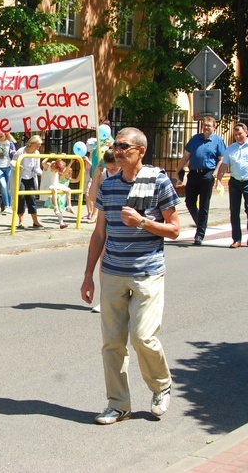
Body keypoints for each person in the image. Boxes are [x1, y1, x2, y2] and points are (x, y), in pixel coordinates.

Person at [79, 127, 181, 426]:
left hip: (147, 272)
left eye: (125, 146)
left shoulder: (158, 181)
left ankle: (161, 385)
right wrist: (88, 276)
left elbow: (174, 229)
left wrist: (144, 222)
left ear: (141, 151)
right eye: (117, 146)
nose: (119, 151)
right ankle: (118, 404)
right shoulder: (109, 186)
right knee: (112, 343)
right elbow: (99, 233)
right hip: (113, 273)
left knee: (143, 337)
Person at [176, 116, 226, 245]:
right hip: (193, 174)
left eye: (209, 125)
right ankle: (201, 224)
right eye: (204, 125)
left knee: (204, 205)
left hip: (207, 174)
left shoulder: (217, 141)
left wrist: (215, 174)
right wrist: (178, 170)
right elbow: (186, 155)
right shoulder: (195, 139)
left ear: (214, 127)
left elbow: (221, 159)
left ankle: (199, 235)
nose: (206, 127)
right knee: (189, 202)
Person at [85, 147, 119, 313]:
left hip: (121, 223)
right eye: (109, 167)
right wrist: (97, 175)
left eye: (115, 168)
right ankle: (104, 300)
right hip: (106, 221)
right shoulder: (105, 174)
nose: (112, 171)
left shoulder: (124, 176)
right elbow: (92, 197)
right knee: (103, 260)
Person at [12, 135, 44, 229]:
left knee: (31, 199)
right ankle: (20, 222)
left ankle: (35, 222)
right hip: (21, 178)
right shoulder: (20, 152)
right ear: (31, 143)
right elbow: (12, 162)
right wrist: (17, 166)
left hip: (30, 178)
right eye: (37, 145)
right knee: (21, 199)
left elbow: (37, 168)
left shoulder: (36, 153)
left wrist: (42, 173)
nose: (38, 148)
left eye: (39, 146)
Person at [41, 157, 75, 229]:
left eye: (57, 171)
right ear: (54, 165)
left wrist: (62, 157)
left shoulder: (57, 169)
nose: (56, 172)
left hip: (55, 186)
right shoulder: (48, 166)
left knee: (68, 190)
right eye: (56, 170)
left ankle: (68, 206)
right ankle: (56, 208)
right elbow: (43, 163)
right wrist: (48, 156)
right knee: (57, 204)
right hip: (48, 186)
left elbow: (64, 170)